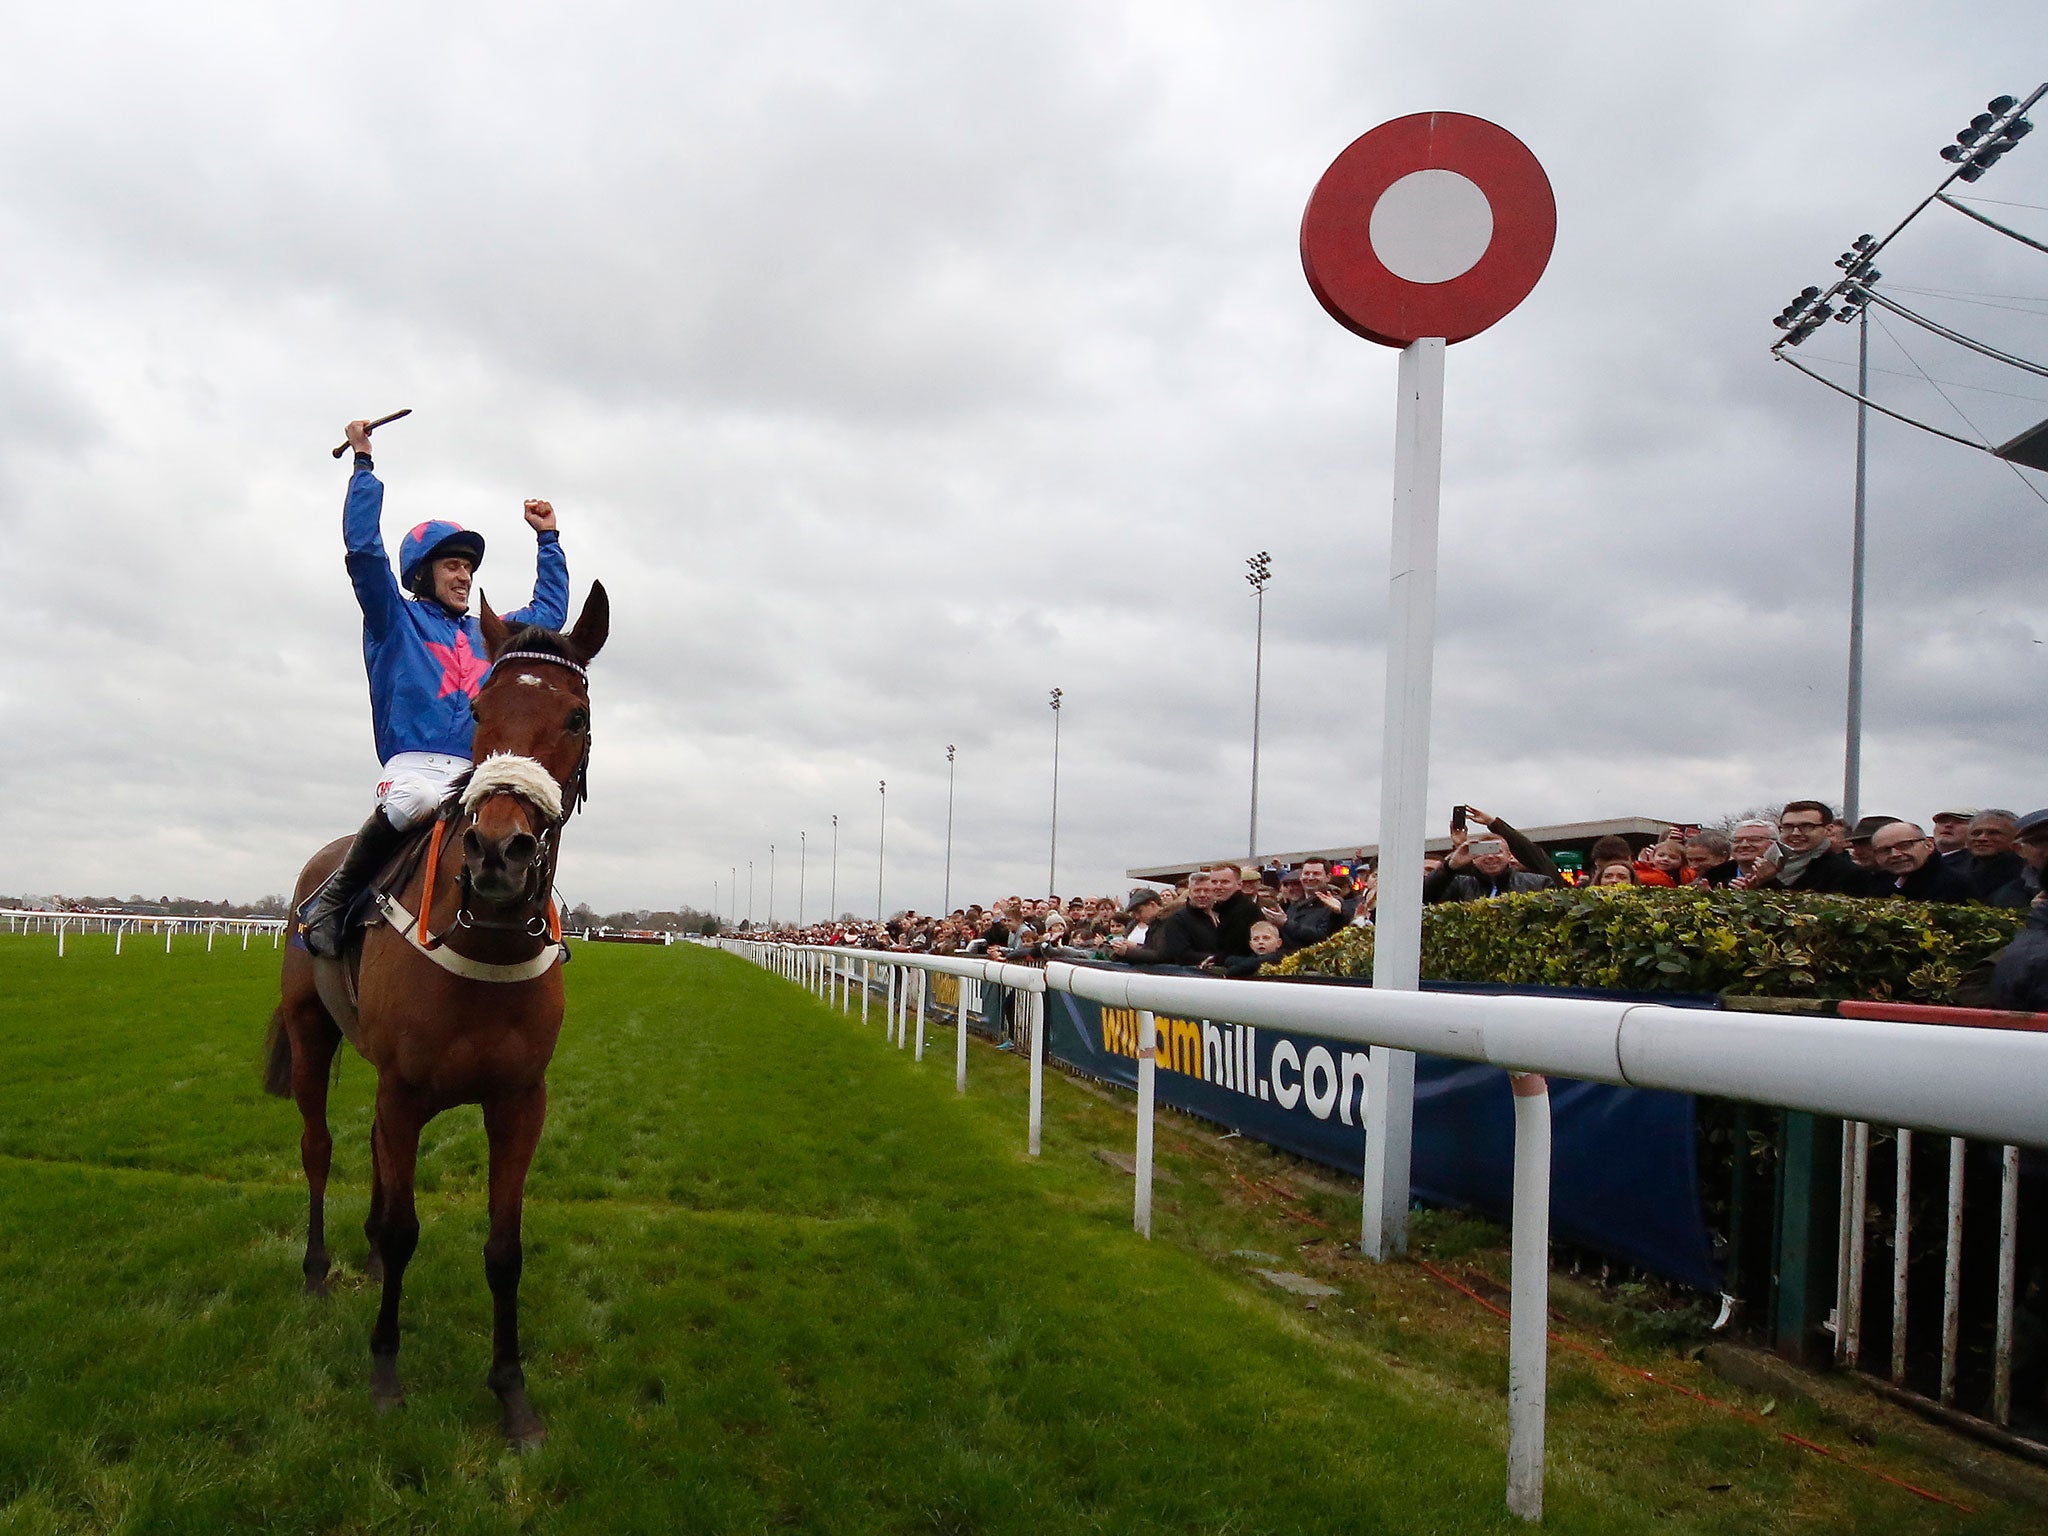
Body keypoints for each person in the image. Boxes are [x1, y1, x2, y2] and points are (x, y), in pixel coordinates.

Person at [302, 420, 570, 957]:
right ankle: (331, 900)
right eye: (453, 565)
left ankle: (541, 924)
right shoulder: (392, 619)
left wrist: (548, 539)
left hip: (475, 770)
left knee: (520, 813)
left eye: (469, 568)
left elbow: (549, 617)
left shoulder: (486, 635)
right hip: (413, 767)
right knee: (418, 799)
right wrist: (363, 465)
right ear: (423, 574)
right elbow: (364, 552)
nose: (465, 576)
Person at [1424, 808, 1558, 902]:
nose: (1490, 856)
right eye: (1482, 851)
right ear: (1474, 859)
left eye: (1496, 850)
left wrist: (1494, 823)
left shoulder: (1539, 884)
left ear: (1509, 856)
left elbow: (1535, 856)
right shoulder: (1459, 885)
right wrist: (1450, 866)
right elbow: (1424, 897)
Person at [1756, 800, 1867, 894]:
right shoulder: (1768, 864)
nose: (1795, 833)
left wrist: (1769, 882)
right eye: (1788, 827)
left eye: (1807, 826)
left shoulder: (1847, 873)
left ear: (1828, 830)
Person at [1867, 820, 1976, 902]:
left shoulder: (1954, 885)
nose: (1895, 854)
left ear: (1929, 845)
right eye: (1885, 850)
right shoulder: (1879, 883)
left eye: (1905, 845)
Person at [1961, 810, 2025, 901]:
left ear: (2016, 838)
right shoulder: (1954, 872)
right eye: (1976, 833)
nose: (1981, 838)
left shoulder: (2030, 874)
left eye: (1994, 833)